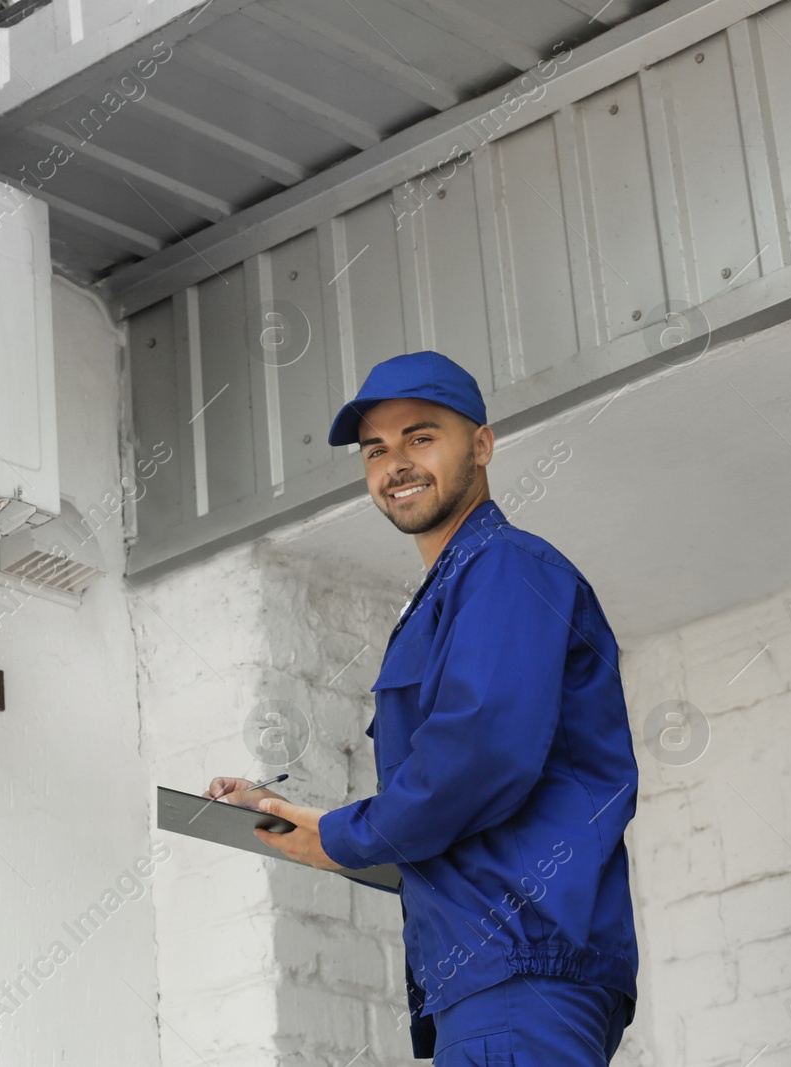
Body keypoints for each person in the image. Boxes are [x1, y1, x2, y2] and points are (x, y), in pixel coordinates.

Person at [204, 351, 639, 1065]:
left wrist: (343, 833)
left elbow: (480, 754)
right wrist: (311, 824)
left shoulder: (506, 568)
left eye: (421, 436)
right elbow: (447, 815)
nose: (395, 462)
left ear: (483, 444)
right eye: (376, 448)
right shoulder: (451, 595)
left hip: (521, 972)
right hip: (486, 978)